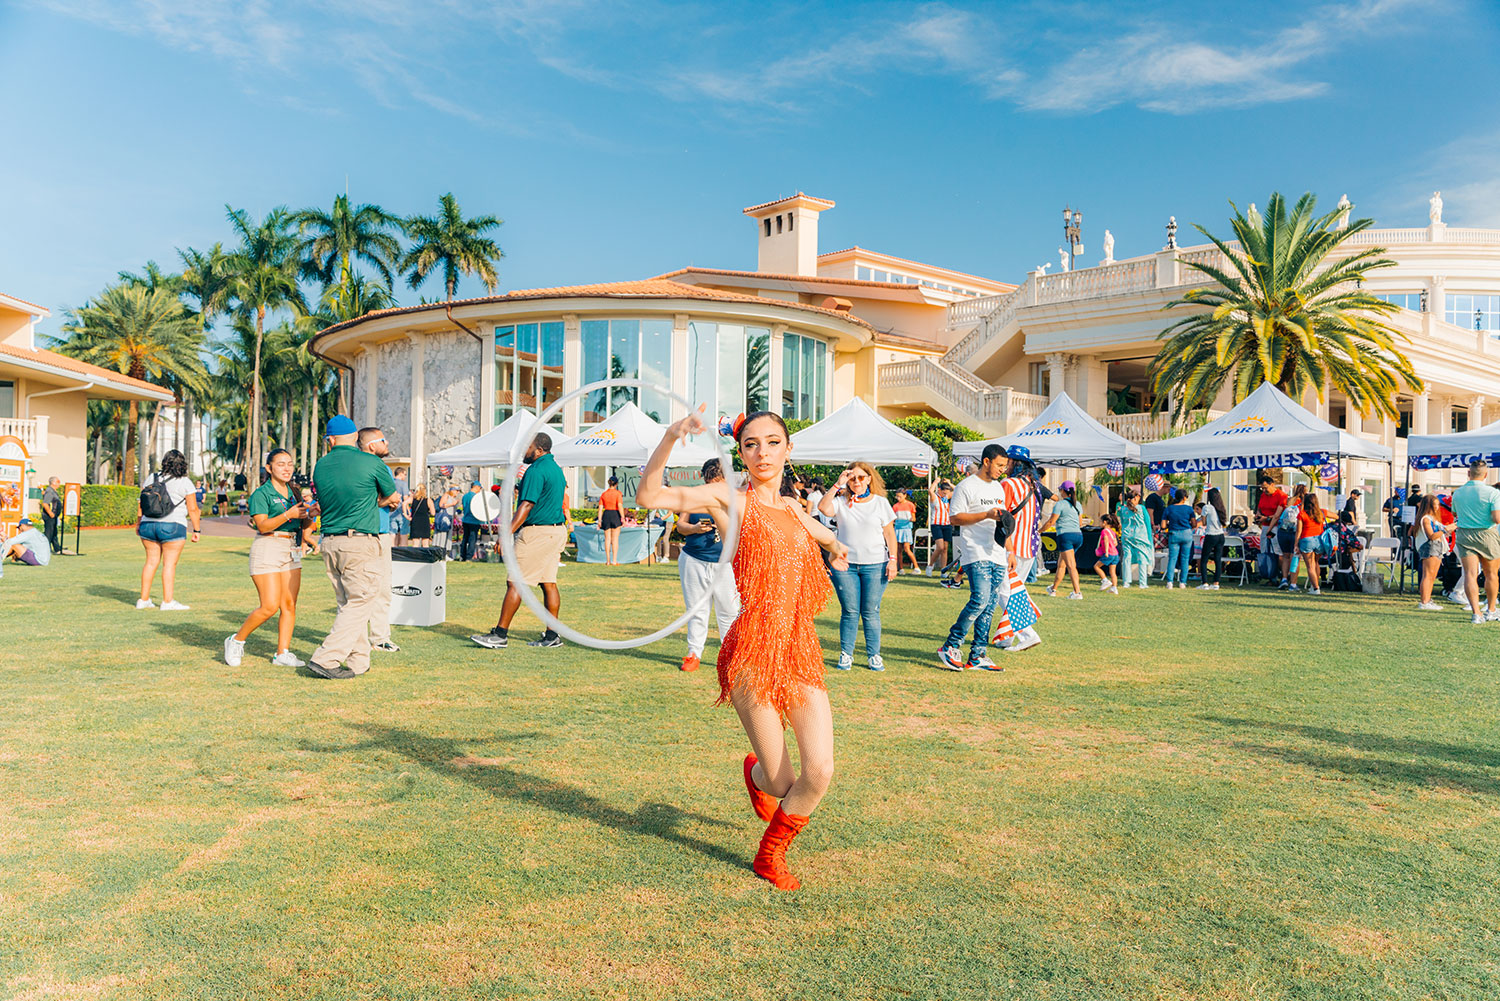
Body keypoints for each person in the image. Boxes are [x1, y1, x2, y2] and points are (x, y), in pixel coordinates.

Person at [636, 408, 850, 893]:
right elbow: (648, 495)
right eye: (752, 444)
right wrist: (671, 437)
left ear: (788, 449)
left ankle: (769, 854)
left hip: (799, 648)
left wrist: (836, 545)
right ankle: (760, 777)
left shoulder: (795, 508)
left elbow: (816, 532)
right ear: (741, 453)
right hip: (751, 648)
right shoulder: (729, 501)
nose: (763, 453)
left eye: (773, 442)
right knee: (781, 784)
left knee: (818, 772)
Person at [307, 415, 398, 680]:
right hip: (359, 541)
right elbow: (390, 496)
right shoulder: (372, 462)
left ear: (331, 439)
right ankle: (326, 658)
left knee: (347, 603)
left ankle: (359, 662)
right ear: (355, 436)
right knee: (361, 601)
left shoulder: (320, 466)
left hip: (330, 542)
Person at [471, 433, 569, 649]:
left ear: (540, 450)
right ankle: (553, 636)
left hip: (537, 533)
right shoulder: (556, 470)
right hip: (556, 531)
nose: (524, 450)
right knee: (548, 583)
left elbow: (526, 505)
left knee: (515, 581)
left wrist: (506, 534)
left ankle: (500, 635)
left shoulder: (536, 470)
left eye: (528, 446)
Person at [224, 448, 307, 668]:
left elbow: (302, 524)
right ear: (269, 468)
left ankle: (282, 653)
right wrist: (289, 513)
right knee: (269, 606)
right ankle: (236, 640)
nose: (287, 468)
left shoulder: (295, 492)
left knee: (289, 604)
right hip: (268, 546)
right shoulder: (261, 494)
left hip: (291, 547)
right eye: (281, 464)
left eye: (290, 464)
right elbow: (262, 525)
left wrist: (310, 513)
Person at [938, 444, 1014, 670]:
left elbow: (1003, 521)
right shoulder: (966, 486)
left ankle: (978, 655)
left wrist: (1009, 550)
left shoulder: (999, 488)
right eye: (1000, 465)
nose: (1003, 469)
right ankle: (950, 646)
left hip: (998, 553)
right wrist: (985, 515)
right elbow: (955, 518)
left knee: (990, 606)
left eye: (1005, 465)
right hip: (975, 551)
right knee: (979, 599)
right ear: (987, 462)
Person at [818, 461, 897, 671]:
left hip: (876, 564)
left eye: (861, 477)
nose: (857, 482)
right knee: (850, 611)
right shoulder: (841, 502)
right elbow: (823, 508)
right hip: (845, 564)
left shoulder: (880, 503)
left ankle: (874, 655)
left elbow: (890, 534)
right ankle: (846, 654)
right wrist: (837, 484)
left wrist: (893, 560)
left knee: (871, 611)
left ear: (869, 479)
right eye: (852, 478)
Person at [675, 458, 741, 673]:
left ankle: (730, 654)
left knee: (729, 610)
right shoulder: (694, 496)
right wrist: (694, 528)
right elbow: (681, 526)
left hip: (725, 562)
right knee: (696, 609)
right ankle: (694, 653)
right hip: (694, 558)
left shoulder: (736, 497)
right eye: (710, 482)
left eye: (719, 482)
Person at [136, 448, 200, 610]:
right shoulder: (185, 482)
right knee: (169, 564)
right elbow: (192, 509)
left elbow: (141, 502)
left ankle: (143, 600)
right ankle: (167, 601)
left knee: (150, 562)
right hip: (173, 525)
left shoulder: (152, 477)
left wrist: (138, 523)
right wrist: (196, 530)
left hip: (148, 524)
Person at [359, 427, 401, 654]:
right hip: (372, 533)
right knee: (374, 588)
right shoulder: (373, 467)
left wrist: (389, 500)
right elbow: (380, 498)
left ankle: (377, 637)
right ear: (372, 445)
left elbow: (390, 498)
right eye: (384, 440)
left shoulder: (374, 467)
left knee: (377, 588)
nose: (388, 443)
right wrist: (388, 500)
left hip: (378, 530)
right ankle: (373, 638)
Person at [1449, 459, 1500, 624]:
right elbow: (1496, 518)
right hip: (1487, 533)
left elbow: (1455, 514)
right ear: (1485, 475)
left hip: (1464, 534)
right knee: (1491, 574)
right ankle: (1491, 610)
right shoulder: (1493, 492)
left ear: (1468, 473)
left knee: (1470, 574)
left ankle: (1476, 613)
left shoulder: (1457, 493)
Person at [1044, 480, 1085, 599]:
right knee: (1061, 565)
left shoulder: (1060, 504)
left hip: (1065, 536)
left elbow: (1051, 521)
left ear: (1063, 491)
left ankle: (1077, 593)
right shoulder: (1078, 504)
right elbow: (1080, 522)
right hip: (1078, 536)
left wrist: (1039, 531)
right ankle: (1053, 589)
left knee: (1071, 566)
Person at [1414, 494, 1448, 610]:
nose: (1437, 507)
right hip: (1430, 546)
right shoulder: (1426, 519)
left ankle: (1427, 599)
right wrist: (1446, 530)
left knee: (1432, 576)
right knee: (1428, 575)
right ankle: (1424, 601)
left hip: (1437, 546)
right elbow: (1432, 536)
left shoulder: (1432, 519)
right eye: (1435, 505)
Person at [1255, 473, 1288, 586]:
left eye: (1265, 488)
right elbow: (1259, 507)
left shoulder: (1281, 496)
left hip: (1276, 527)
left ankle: (1283, 575)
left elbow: (1279, 514)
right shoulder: (1264, 495)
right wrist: (1258, 515)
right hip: (1265, 526)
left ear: (1272, 484)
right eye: (1262, 488)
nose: (1264, 490)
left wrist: (1267, 518)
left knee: (1277, 551)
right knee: (1265, 550)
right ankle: (1270, 575)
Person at [1118, 490, 1153, 588]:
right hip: (1140, 537)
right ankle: (1142, 583)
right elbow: (1147, 522)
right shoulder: (1141, 508)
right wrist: (1149, 537)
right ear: (1136, 497)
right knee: (1142, 559)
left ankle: (1126, 582)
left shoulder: (1123, 509)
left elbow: (1122, 522)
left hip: (1126, 536)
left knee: (1126, 558)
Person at [1162, 488, 1196, 589]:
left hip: (1174, 533)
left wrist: (1170, 524)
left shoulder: (1169, 509)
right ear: (1184, 498)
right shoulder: (1189, 509)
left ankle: (1170, 582)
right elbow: (1194, 523)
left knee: (1172, 558)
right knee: (1185, 559)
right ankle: (1182, 582)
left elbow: (1163, 525)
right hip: (1186, 533)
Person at [1295, 492, 1328, 595]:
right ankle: (1314, 586)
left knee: (1310, 566)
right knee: (1316, 563)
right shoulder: (1321, 513)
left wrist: (1296, 544)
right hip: (1319, 540)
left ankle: (1315, 588)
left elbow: (1299, 531)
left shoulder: (1302, 514)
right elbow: (1337, 516)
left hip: (1307, 540)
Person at [1196, 487, 1227, 590]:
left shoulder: (1207, 507)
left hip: (1211, 534)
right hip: (1220, 535)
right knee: (1218, 560)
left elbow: (1204, 523)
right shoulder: (1221, 507)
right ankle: (1216, 583)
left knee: (1204, 559)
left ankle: (1204, 583)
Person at [927, 479, 953, 576]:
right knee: (940, 547)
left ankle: (943, 570)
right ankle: (930, 565)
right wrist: (935, 482)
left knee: (945, 548)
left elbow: (958, 490)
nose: (945, 494)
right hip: (936, 524)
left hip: (947, 524)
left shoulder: (946, 497)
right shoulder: (935, 497)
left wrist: (949, 483)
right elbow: (930, 491)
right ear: (939, 490)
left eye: (946, 493)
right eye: (943, 492)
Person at [597, 476, 625, 565]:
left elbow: (600, 508)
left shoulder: (604, 494)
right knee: (615, 539)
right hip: (615, 514)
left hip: (606, 514)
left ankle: (608, 560)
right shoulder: (618, 494)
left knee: (607, 539)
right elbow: (620, 505)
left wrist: (599, 520)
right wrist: (623, 517)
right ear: (616, 484)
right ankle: (614, 560)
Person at [891, 489, 919, 574]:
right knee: (898, 550)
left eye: (900, 496)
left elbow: (914, 518)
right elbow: (893, 519)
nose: (898, 498)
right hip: (898, 529)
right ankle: (901, 569)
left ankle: (916, 567)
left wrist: (911, 519)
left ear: (905, 495)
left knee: (907, 549)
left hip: (906, 529)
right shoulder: (895, 506)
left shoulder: (910, 505)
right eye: (897, 496)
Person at [1094, 513, 1120, 593]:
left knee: (1096, 567)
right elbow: (1115, 543)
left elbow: (1106, 540)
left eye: (1100, 522)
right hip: (1115, 554)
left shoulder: (1104, 531)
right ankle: (1114, 588)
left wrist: (1106, 551)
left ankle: (1105, 580)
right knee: (1112, 572)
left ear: (1104, 522)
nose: (1100, 523)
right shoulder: (1112, 532)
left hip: (1109, 553)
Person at [460, 482, 485, 561]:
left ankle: (462, 556)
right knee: (472, 539)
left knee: (465, 538)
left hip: (465, 519)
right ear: (476, 487)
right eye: (480, 488)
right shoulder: (476, 497)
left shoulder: (465, 496)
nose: (480, 490)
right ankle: (469, 557)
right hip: (474, 520)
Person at [390, 467, 411, 546]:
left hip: (391, 512)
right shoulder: (403, 484)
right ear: (401, 473)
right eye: (405, 474)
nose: (405, 476)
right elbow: (405, 499)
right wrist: (408, 511)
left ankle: (392, 553)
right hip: (401, 512)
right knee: (403, 534)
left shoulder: (390, 483)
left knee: (392, 535)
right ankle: (403, 554)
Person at [40, 477, 62, 554]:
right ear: (53, 483)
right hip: (49, 516)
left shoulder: (53, 491)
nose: (59, 483)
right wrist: (50, 513)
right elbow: (45, 503)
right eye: (58, 481)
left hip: (54, 516)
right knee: (48, 533)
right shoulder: (49, 491)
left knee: (54, 533)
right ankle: (45, 549)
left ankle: (57, 548)